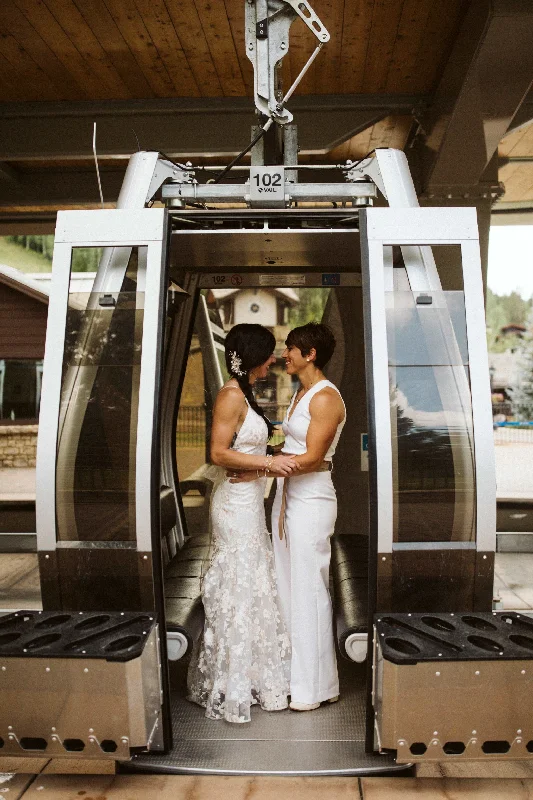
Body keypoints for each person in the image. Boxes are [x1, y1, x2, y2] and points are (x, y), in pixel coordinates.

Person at [187, 323, 296, 724]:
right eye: (269, 353)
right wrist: (269, 463)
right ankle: (232, 682)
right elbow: (218, 453)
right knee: (239, 583)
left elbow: (246, 448)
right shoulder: (231, 396)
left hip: (249, 499)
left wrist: (272, 455)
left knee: (253, 584)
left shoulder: (246, 393)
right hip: (234, 505)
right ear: (252, 356)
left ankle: (250, 674)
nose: (274, 359)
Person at [271, 322, 346, 711]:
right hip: (288, 493)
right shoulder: (300, 394)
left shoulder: (326, 397)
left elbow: (313, 456)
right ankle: (292, 677)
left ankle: (316, 687)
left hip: (312, 497)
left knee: (309, 589)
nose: (285, 354)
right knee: (287, 585)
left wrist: (263, 466)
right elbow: (292, 446)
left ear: (310, 354)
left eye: (291, 349)